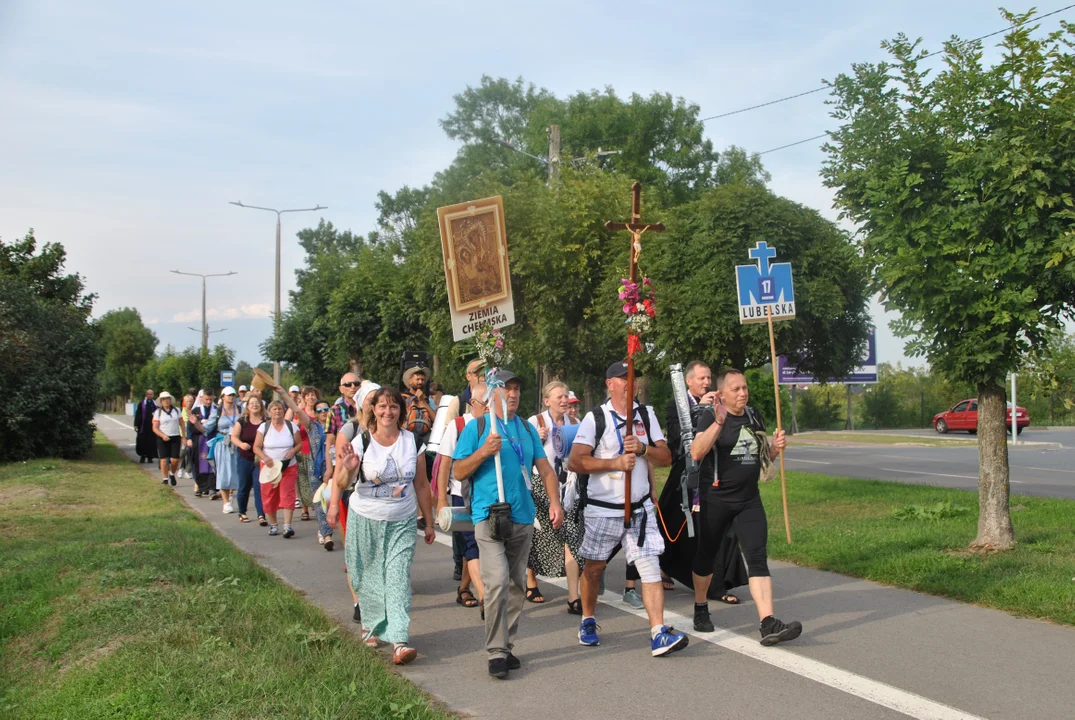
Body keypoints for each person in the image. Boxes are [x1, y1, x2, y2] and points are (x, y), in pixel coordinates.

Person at [567, 360, 687, 658]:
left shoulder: (646, 415)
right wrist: (615, 463)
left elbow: (666, 457)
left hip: (640, 510)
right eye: (623, 378)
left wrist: (644, 449)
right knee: (594, 569)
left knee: (649, 568)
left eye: (633, 378)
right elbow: (576, 461)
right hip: (602, 509)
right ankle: (588, 619)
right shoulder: (596, 418)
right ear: (610, 384)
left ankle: (658, 632)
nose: (630, 383)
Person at [452, 370, 564, 679]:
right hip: (488, 517)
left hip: (523, 517)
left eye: (516, 389)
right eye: (506, 389)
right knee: (498, 581)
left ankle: (506, 644)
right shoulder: (478, 428)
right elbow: (459, 470)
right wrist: (485, 451)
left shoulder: (527, 430)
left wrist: (555, 503)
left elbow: (546, 470)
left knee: (516, 585)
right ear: (491, 395)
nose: (513, 394)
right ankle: (496, 652)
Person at [689, 367, 800, 646]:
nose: (743, 393)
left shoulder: (753, 416)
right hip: (715, 499)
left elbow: (762, 458)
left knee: (757, 557)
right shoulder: (708, 415)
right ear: (722, 394)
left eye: (745, 388)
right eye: (736, 389)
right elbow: (696, 451)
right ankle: (701, 607)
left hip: (749, 500)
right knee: (706, 555)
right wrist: (718, 422)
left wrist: (774, 448)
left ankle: (768, 623)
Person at [333, 387, 436, 666]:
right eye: (382, 406)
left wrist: (429, 521)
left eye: (393, 407)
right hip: (364, 517)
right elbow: (341, 483)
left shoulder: (413, 442)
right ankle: (371, 624)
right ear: (373, 410)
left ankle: (400, 641)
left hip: (401, 520)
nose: (388, 411)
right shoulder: (361, 442)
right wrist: (349, 467)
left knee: (398, 576)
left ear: (400, 412)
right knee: (365, 574)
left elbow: (422, 485)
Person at [659, 360, 748, 602]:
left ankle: (718, 585)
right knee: (674, 524)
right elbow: (677, 440)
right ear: (689, 381)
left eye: (709, 378)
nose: (707, 383)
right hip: (684, 475)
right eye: (701, 379)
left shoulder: (718, 403)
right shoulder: (674, 405)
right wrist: (698, 409)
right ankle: (666, 566)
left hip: (713, 475)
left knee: (718, 526)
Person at [526, 380, 584, 612]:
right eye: (559, 397)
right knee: (539, 536)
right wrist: (536, 441)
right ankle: (531, 581)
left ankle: (573, 596)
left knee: (571, 537)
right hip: (542, 486)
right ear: (547, 401)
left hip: (568, 486)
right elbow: (524, 457)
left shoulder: (576, 423)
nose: (564, 400)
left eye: (565, 396)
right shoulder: (534, 422)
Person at [435, 383, 489, 614]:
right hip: (461, 494)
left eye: (491, 402)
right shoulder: (458, 425)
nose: (488, 407)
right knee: (472, 543)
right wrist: (441, 500)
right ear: (472, 404)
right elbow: (445, 463)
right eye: (484, 402)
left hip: (488, 495)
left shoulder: (496, 424)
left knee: (479, 543)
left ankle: (464, 588)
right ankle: (486, 598)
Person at [278, 385, 335, 550]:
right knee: (319, 503)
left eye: (326, 409)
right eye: (320, 410)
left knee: (335, 503)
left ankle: (334, 530)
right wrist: (283, 393)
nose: (324, 412)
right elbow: (296, 409)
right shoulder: (313, 428)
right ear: (316, 414)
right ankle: (327, 534)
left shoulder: (338, 429)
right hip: (315, 470)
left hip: (335, 470)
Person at [253, 400, 302, 537]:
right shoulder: (264, 427)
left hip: (288, 465)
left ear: (284, 411)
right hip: (269, 466)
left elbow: (299, 444)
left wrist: (293, 451)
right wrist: (265, 457)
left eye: (280, 409)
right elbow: (256, 447)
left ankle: (287, 526)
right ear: (269, 412)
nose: (277, 411)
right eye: (274, 409)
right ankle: (273, 525)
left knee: (287, 494)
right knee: (269, 495)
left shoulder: (291, 426)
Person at [285, 385, 321, 522]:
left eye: (313, 395)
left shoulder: (321, 411)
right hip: (303, 451)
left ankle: (318, 506)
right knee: (303, 481)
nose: (311, 397)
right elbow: (292, 429)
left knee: (317, 481)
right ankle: (305, 509)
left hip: (318, 452)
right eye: (308, 395)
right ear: (304, 398)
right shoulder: (300, 413)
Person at [232, 394, 267, 525]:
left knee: (259, 486)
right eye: (251, 403)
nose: (254, 405)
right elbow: (234, 437)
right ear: (247, 406)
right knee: (244, 486)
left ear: (261, 405)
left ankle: (261, 515)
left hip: (260, 459)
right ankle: (242, 512)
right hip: (245, 457)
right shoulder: (242, 421)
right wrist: (241, 444)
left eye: (257, 403)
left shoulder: (266, 422)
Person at [212, 386, 242, 514]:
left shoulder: (240, 409)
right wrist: (196, 424)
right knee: (223, 472)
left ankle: (230, 493)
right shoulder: (217, 411)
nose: (231, 397)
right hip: (222, 444)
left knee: (236, 471)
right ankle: (225, 502)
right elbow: (207, 427)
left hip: (237, 443)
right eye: (228, 395)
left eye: (233, 395)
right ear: (223, 396)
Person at [189, 388, 219, 499]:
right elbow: (190, 427)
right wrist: (189, 438)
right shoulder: (196, 410)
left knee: (212, 463)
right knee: (199, 463)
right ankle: (201, 487)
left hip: (213, 439)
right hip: (199, 440)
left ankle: (212, 488)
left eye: (211, 399)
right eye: (206, 399)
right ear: (202, 398)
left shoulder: (216, 410)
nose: (208, 402)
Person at [151, 391, 183, 485]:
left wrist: (184, 436)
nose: (166, 401)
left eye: (167, 399)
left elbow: (182, 423)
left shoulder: (177, 410)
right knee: (164, 459)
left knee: (175, 459)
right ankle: (165, 479)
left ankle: (172, 473)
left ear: (170, 400)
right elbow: (155, 427)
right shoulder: (158, 412)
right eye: (163, 399)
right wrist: (163, 435)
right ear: (161, 401)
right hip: (163, 437)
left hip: (175, 436)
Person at [134, 389, 158, 464]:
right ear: (146, 395)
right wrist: (136, 424)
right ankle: (142, 456)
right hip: (143, 426)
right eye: (148, 394)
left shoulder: (156, 404)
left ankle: (150, 457)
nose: (150, 395)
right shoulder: (142, 404)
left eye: (151, 394)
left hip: (153, 427)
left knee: (152, 442)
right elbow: (138, 414)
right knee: (142, 442)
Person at [179, 393, 195, 480]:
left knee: (190, 453)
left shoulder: (194, 411)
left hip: (192, 435)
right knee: (182, 453)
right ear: (184, 402)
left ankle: (188, 471)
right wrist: (182, 437)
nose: (189, 403)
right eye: (187, 401)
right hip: (183, 435)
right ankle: (181, 468)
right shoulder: (181, 412)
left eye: (191, 401)